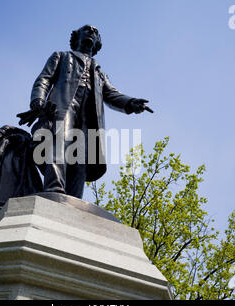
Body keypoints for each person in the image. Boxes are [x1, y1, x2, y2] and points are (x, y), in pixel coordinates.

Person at [17, 25, 153, 199]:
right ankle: (54, 189)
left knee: (81, 155)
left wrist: (132, 103)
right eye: (87, 29)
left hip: (88, 114)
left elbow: (111, 94)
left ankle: (74, 198)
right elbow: (44, 78)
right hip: (62, 105)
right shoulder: (62, 56)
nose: (92, 32)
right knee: (60, 142)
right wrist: (38, 101)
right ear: (77, 37)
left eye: (96, 32)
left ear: (97, 43)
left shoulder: (100, 73)